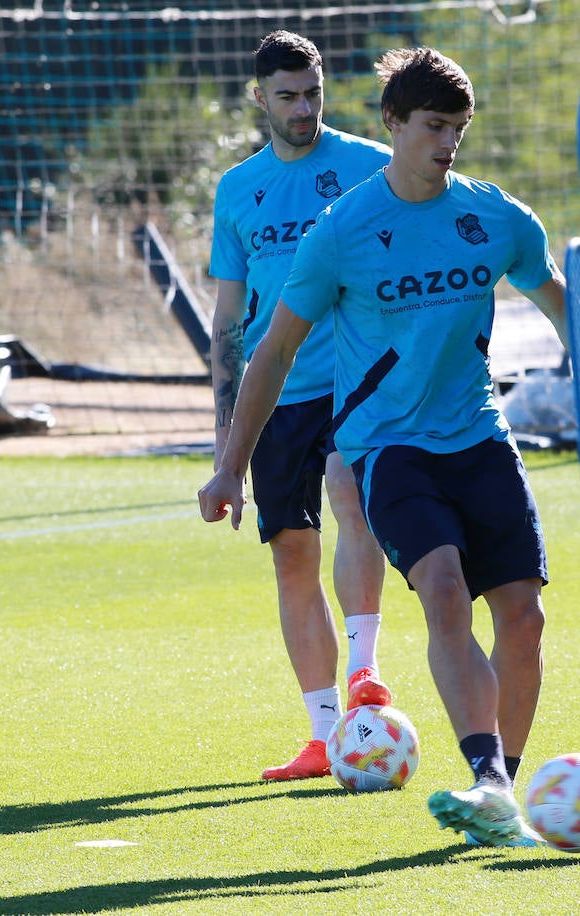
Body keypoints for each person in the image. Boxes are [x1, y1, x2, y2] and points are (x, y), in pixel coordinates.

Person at [199, 46, 570, 846]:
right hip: (387, 444)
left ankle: (500, 792)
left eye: (459, 129)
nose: (448, 143)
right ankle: (490, 780)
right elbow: (273, 351)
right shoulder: (345, 230)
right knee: (441, 585)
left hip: (479, 435)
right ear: (394, 123)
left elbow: (562, 304)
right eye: (434, 126)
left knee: (525, 617)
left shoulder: (496, 215)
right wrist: (229, 461)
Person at [208, 30, 394, 782]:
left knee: (352, 493)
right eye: (286, 96)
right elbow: (227, 321)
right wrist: (227, 441)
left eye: (312, 93)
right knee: (292, 553)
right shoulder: (236, 190)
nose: (302, 108)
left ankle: (366, 673)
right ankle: (323, 737)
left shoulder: (369, 167)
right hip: (276, 390)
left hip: (356, 376)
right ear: (259, 99)